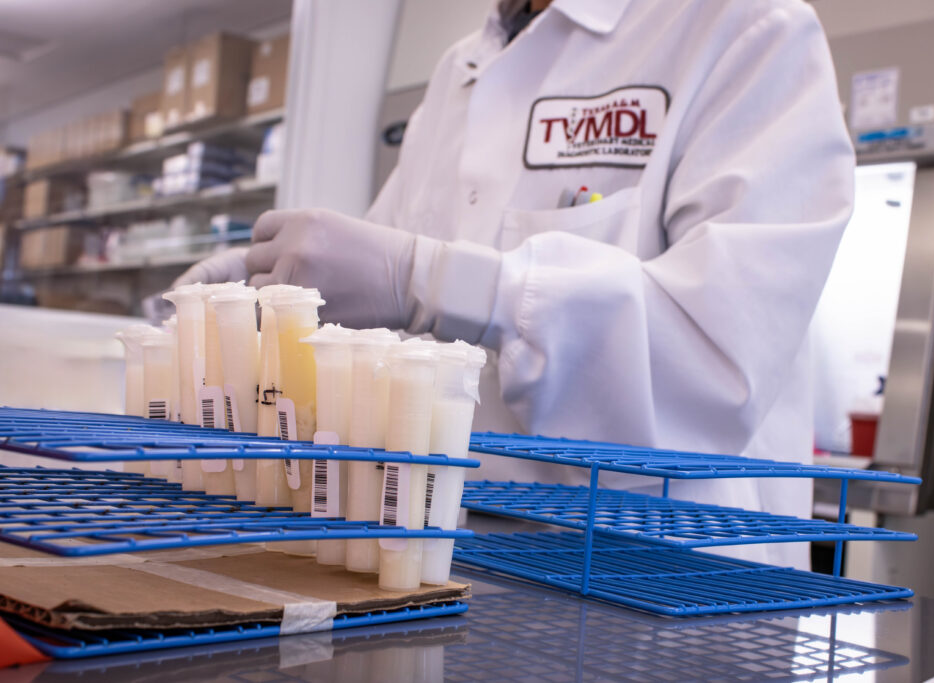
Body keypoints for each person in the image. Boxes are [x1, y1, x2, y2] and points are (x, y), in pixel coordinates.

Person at [177, 0, 854, 568]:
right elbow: (377, 298)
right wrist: (272, 290)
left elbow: (712, 368)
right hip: (452, 566)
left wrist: (437, 282)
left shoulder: (745, 30)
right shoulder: (460, 70)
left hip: (660, 587)